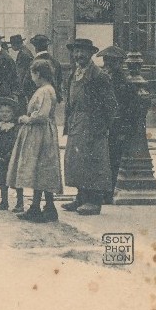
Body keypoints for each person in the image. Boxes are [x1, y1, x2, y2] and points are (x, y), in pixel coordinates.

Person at [63, 38, 118, 216]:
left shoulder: (98, 75)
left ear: (90, 54)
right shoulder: (75, 73)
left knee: (93, 162)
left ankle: (94, 201)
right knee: (77, 161)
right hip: (76, 122)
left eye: (83, 52)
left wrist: (102, 126)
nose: (78, 55)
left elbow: (111, 105)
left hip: (93, 123)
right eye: (76, 51)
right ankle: (81, 197)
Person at [7, 59, 64, 223]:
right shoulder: (47, 89)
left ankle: (38, 208)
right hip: (43, 132)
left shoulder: (45, 91)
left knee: (39, 168)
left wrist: (27, 118)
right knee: (42, 170)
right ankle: (45, 207)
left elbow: (42, 114)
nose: (31, 77)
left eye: (32, 73)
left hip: (40, 133)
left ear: (37, 73)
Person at [97, 45, 140, 204]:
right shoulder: (104, 78)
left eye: (111, 62)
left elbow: (132, 109)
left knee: (113, 161)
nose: (107, 64)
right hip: (106, 125)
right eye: (106, 61)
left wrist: (125, 130)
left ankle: (107, 195)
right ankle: (102, 192)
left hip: (118, 127)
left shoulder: (124, 82)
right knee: (103, 160)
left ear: (119, 63)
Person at [0, 97, 24, 212]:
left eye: (8, 112)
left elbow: (17, 142)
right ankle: (4, 202)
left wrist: (12, 153)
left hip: (13, 157)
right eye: (2, 112)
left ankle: (20, 203)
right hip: (1, 156)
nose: (5, 114)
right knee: (1, 179)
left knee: (16, 179)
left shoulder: (16, 127)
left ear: (13, 113)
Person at [23, 34, 63, 103]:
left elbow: (26, 84)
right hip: (52, 97)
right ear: (47, 47)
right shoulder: (56, 62)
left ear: (35, 48)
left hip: (36, 99)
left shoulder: (34, 63)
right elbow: (59, 81)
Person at [7, 35, 35, 107]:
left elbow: (21, 73)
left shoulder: (23, 54)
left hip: (25, 85)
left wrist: (17, 90)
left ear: (16, 44)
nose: (12, 47)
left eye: (12, 45)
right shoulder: (26, 51)